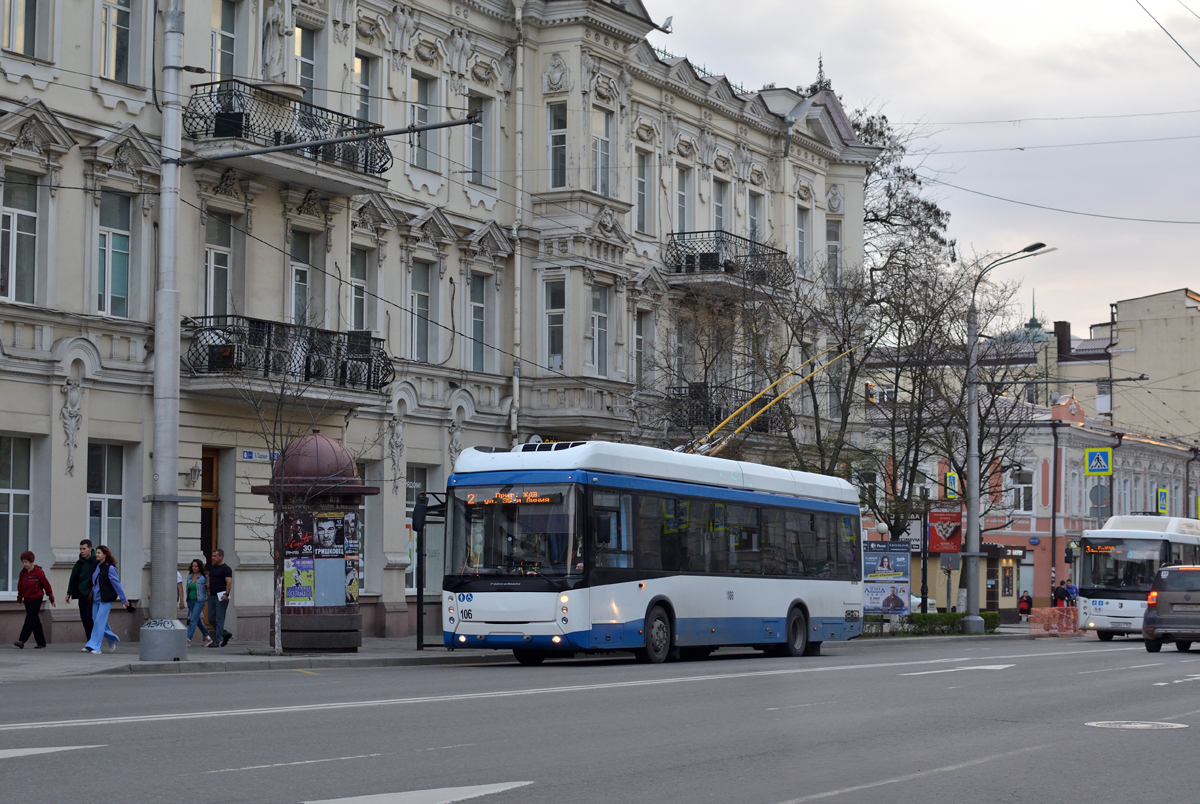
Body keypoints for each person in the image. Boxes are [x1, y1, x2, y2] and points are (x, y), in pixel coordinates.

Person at [85, 546, 130, 654]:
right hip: (96, 599)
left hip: (106, 599)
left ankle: (95, 646)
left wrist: (124, 599)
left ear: (105, 555)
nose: (97, 555)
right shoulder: (97, 566)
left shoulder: (110, 568)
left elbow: (117, 584)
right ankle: (112, 638)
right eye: (97, 553)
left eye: (99, 553)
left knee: (99, 622)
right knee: (98, 622)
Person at [15, 551, 55, 648]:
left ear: (31, 562)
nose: (25, 564)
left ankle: (22, 640)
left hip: (37, 598)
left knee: (29, 618)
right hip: (27, 599)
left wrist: (51, 597)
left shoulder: (39, 572)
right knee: (34, 620)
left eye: (26, 562)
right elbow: (20, 586)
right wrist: (19, 599)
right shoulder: (23, 573)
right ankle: (41, 642)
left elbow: (46, 585)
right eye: (23, 562)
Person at [65, 539, 97, 642]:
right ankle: (90, 640)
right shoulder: (79, 563)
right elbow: (73, 578)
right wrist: (69, 592)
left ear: (90, 549)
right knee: (84, 618)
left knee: (89, 617)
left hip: (92, 594)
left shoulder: (95, 562)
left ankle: (93, 641)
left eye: (84, 549)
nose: (82, 551)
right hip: (81, 594)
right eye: (80, 549)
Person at [207, 549, 234, 648]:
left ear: (221, 557)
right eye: (212, 555)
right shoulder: (212, 568)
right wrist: (208, 589)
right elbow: (210, 579)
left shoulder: (226, 569)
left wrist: (226, 594)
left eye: (215, 556)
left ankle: (217, 640)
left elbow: (229, 582)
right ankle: (225, 633)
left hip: (221, 596)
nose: (213, 558)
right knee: (210, 618)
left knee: (219, 619)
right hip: (212, 595)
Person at [184, 559, 211, 647]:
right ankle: (207, 637)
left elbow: (208, 588)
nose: (194, 568)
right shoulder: (189, 576)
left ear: (199, 567)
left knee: (192, 619)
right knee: (197, 620)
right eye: (193, 566)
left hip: (199, 601)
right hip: (190, 600)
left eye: (196, 566)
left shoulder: (203, 577)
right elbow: (188, 589)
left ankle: (188, 639)